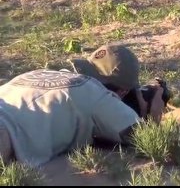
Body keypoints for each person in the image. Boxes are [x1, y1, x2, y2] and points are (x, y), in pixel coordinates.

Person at [0, 43, 166, 168]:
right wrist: (154, 109)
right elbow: (145, 140)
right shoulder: (98, 95)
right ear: (123, 91)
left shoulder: (39, 73)